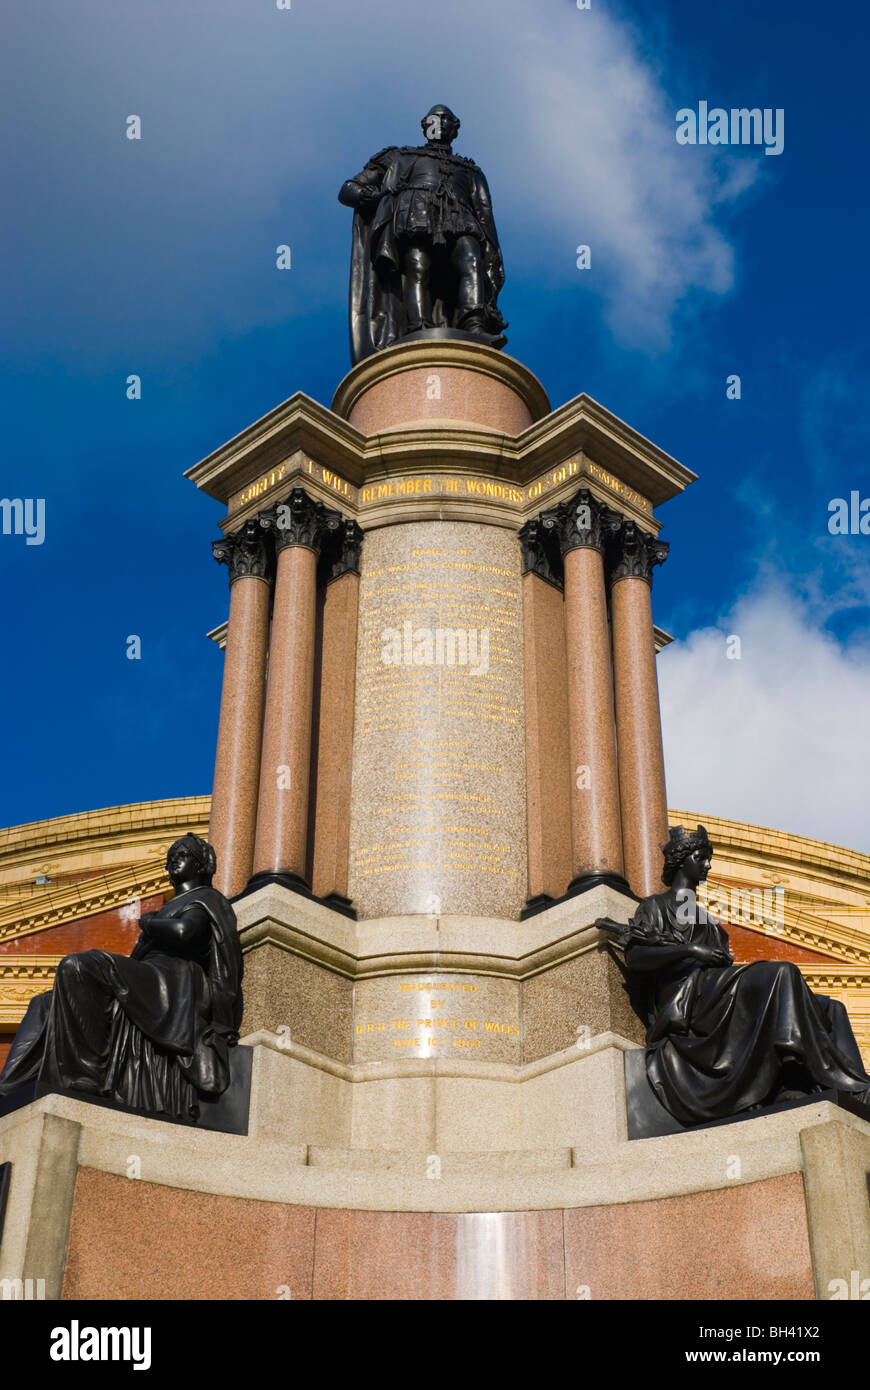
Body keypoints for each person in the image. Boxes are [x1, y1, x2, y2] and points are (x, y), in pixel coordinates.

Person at [601, 824, 870, 1125]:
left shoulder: (710, 923)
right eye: (701, 857)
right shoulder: (655, 907)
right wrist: (691, 951)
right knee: (782, 974)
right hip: (689, 997)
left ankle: (856, 1088)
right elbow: (637, 957)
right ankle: (792, 1076)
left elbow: (725, 971)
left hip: (719, 997)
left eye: (708, 857)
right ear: (681, 860)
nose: (708, 864)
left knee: (830, 1007)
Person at [0, 835, 242, 1122]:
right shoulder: (171, 905)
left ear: (201, 865)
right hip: (148, 975)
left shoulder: (206, 898)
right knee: (44, 1002)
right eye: (171, 854)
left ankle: (83, 1078)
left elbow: (183, 933)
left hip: (174, 980)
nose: (174, 859)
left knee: (78, 966)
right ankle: (9, 1090)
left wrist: (149, 921)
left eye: (184, 854)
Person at [338, 105, 507, 363]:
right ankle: (419, 329)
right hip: (415, 216)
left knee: (471, 260)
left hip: (461, 218)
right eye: (434, 120)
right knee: (417, 268)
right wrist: (376, 197)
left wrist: (492, 256)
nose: (439, 124)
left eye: (445, 120)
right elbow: (349, 189)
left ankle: (475, 327)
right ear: (425, 125)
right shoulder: (399, 157)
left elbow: (484, 213)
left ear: (455, 127)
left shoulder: (471, 172)